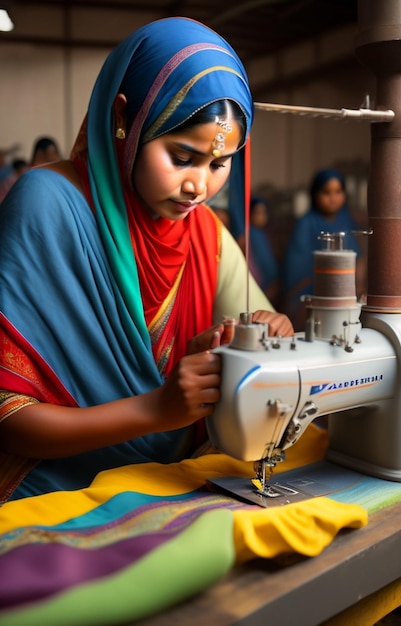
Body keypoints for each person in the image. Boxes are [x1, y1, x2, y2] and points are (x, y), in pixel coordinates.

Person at [0, 17, 293, 502]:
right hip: (52, 487)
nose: (200, 186)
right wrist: (157, 410)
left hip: (173, 479)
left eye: (219, 164)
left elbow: (268, 334)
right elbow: (9, 418)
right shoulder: (46, 206)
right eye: (182, 157)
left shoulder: (204, 234)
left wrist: (269, 332)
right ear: (124, 119)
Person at [282, 167, 365, 331]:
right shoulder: (305, 224)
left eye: (338, 192)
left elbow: (358, 257)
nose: (333, 198)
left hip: (345, 288)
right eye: (326, 192)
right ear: (315, 194)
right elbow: (296, 269)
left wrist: (358, 284)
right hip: (312, 289)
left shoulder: (346, 221)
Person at [240, 195, 281, 306]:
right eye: (258, 213)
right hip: (261, 286)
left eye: (264, 213)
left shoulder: (263, 233)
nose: (261, 217)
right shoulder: (252, 234)